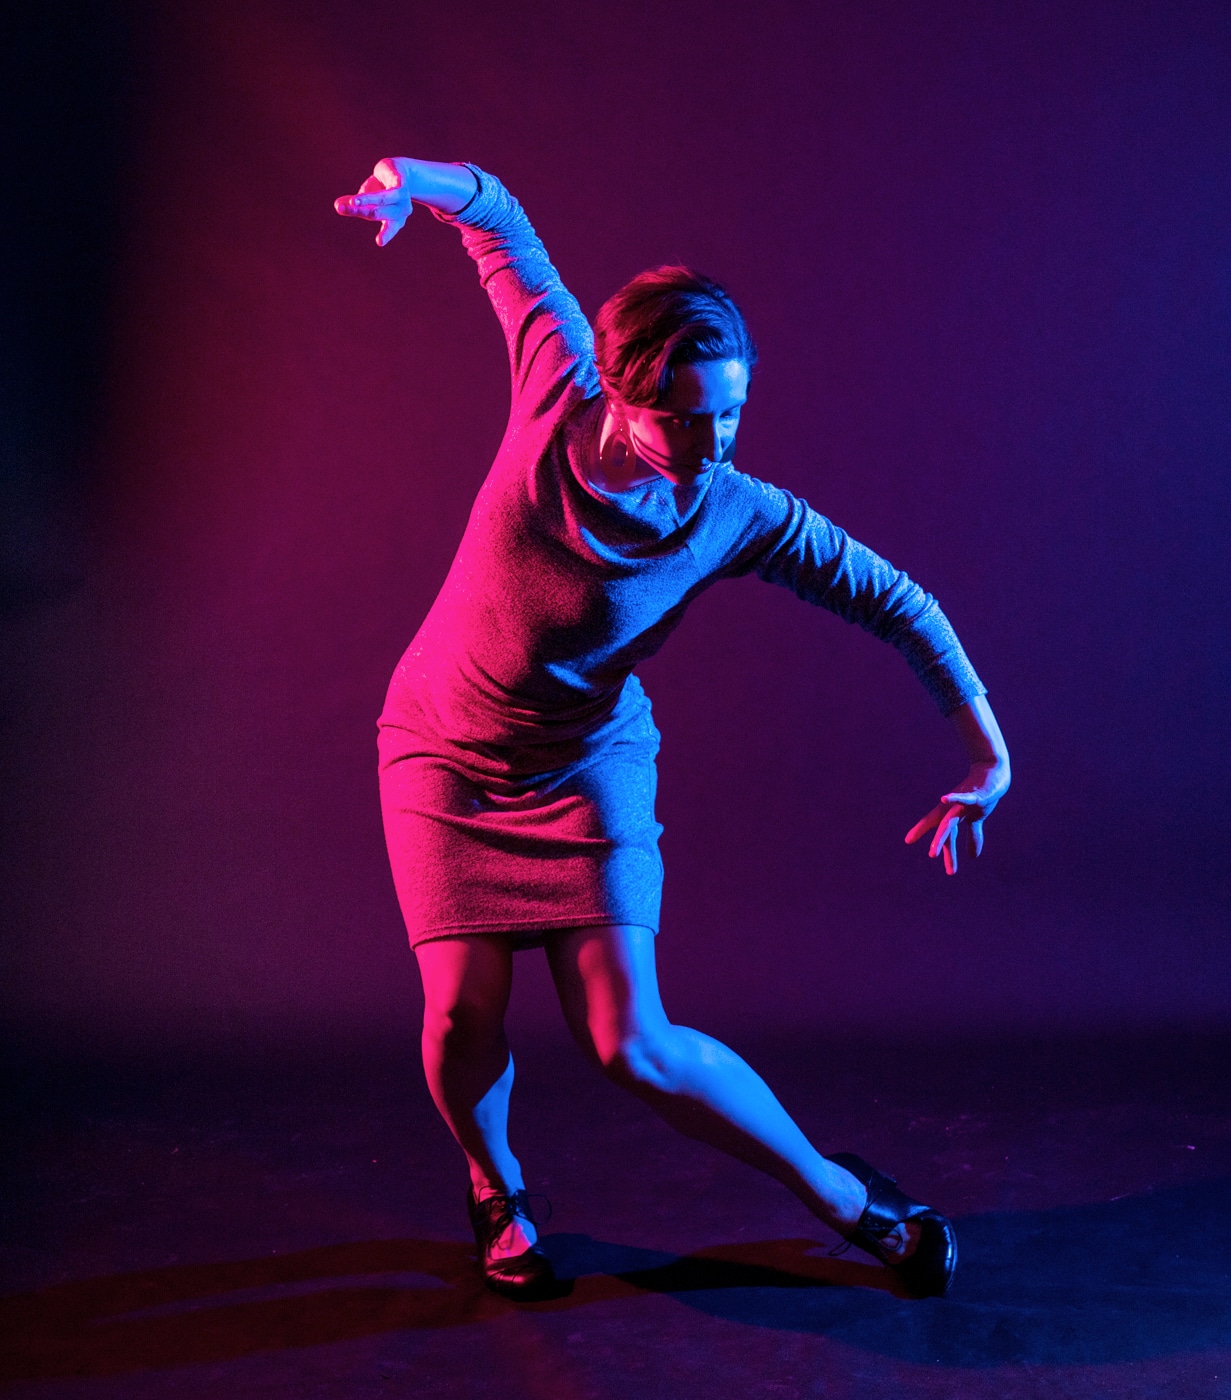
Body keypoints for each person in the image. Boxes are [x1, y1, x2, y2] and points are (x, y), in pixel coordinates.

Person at [334, 158, 1010, 1302]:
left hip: (583, 760)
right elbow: (498, 217)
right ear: (616, 384)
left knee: (628, 1045)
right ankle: (495, 1186)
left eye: (734, 411)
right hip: (440, 748)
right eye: (685, 417)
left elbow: (900, 602)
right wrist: (415, 183)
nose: (714, 443)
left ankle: (844, 1197)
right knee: (461, 1008)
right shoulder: (552, 383)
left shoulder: (735, 512)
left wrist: (985, 753)